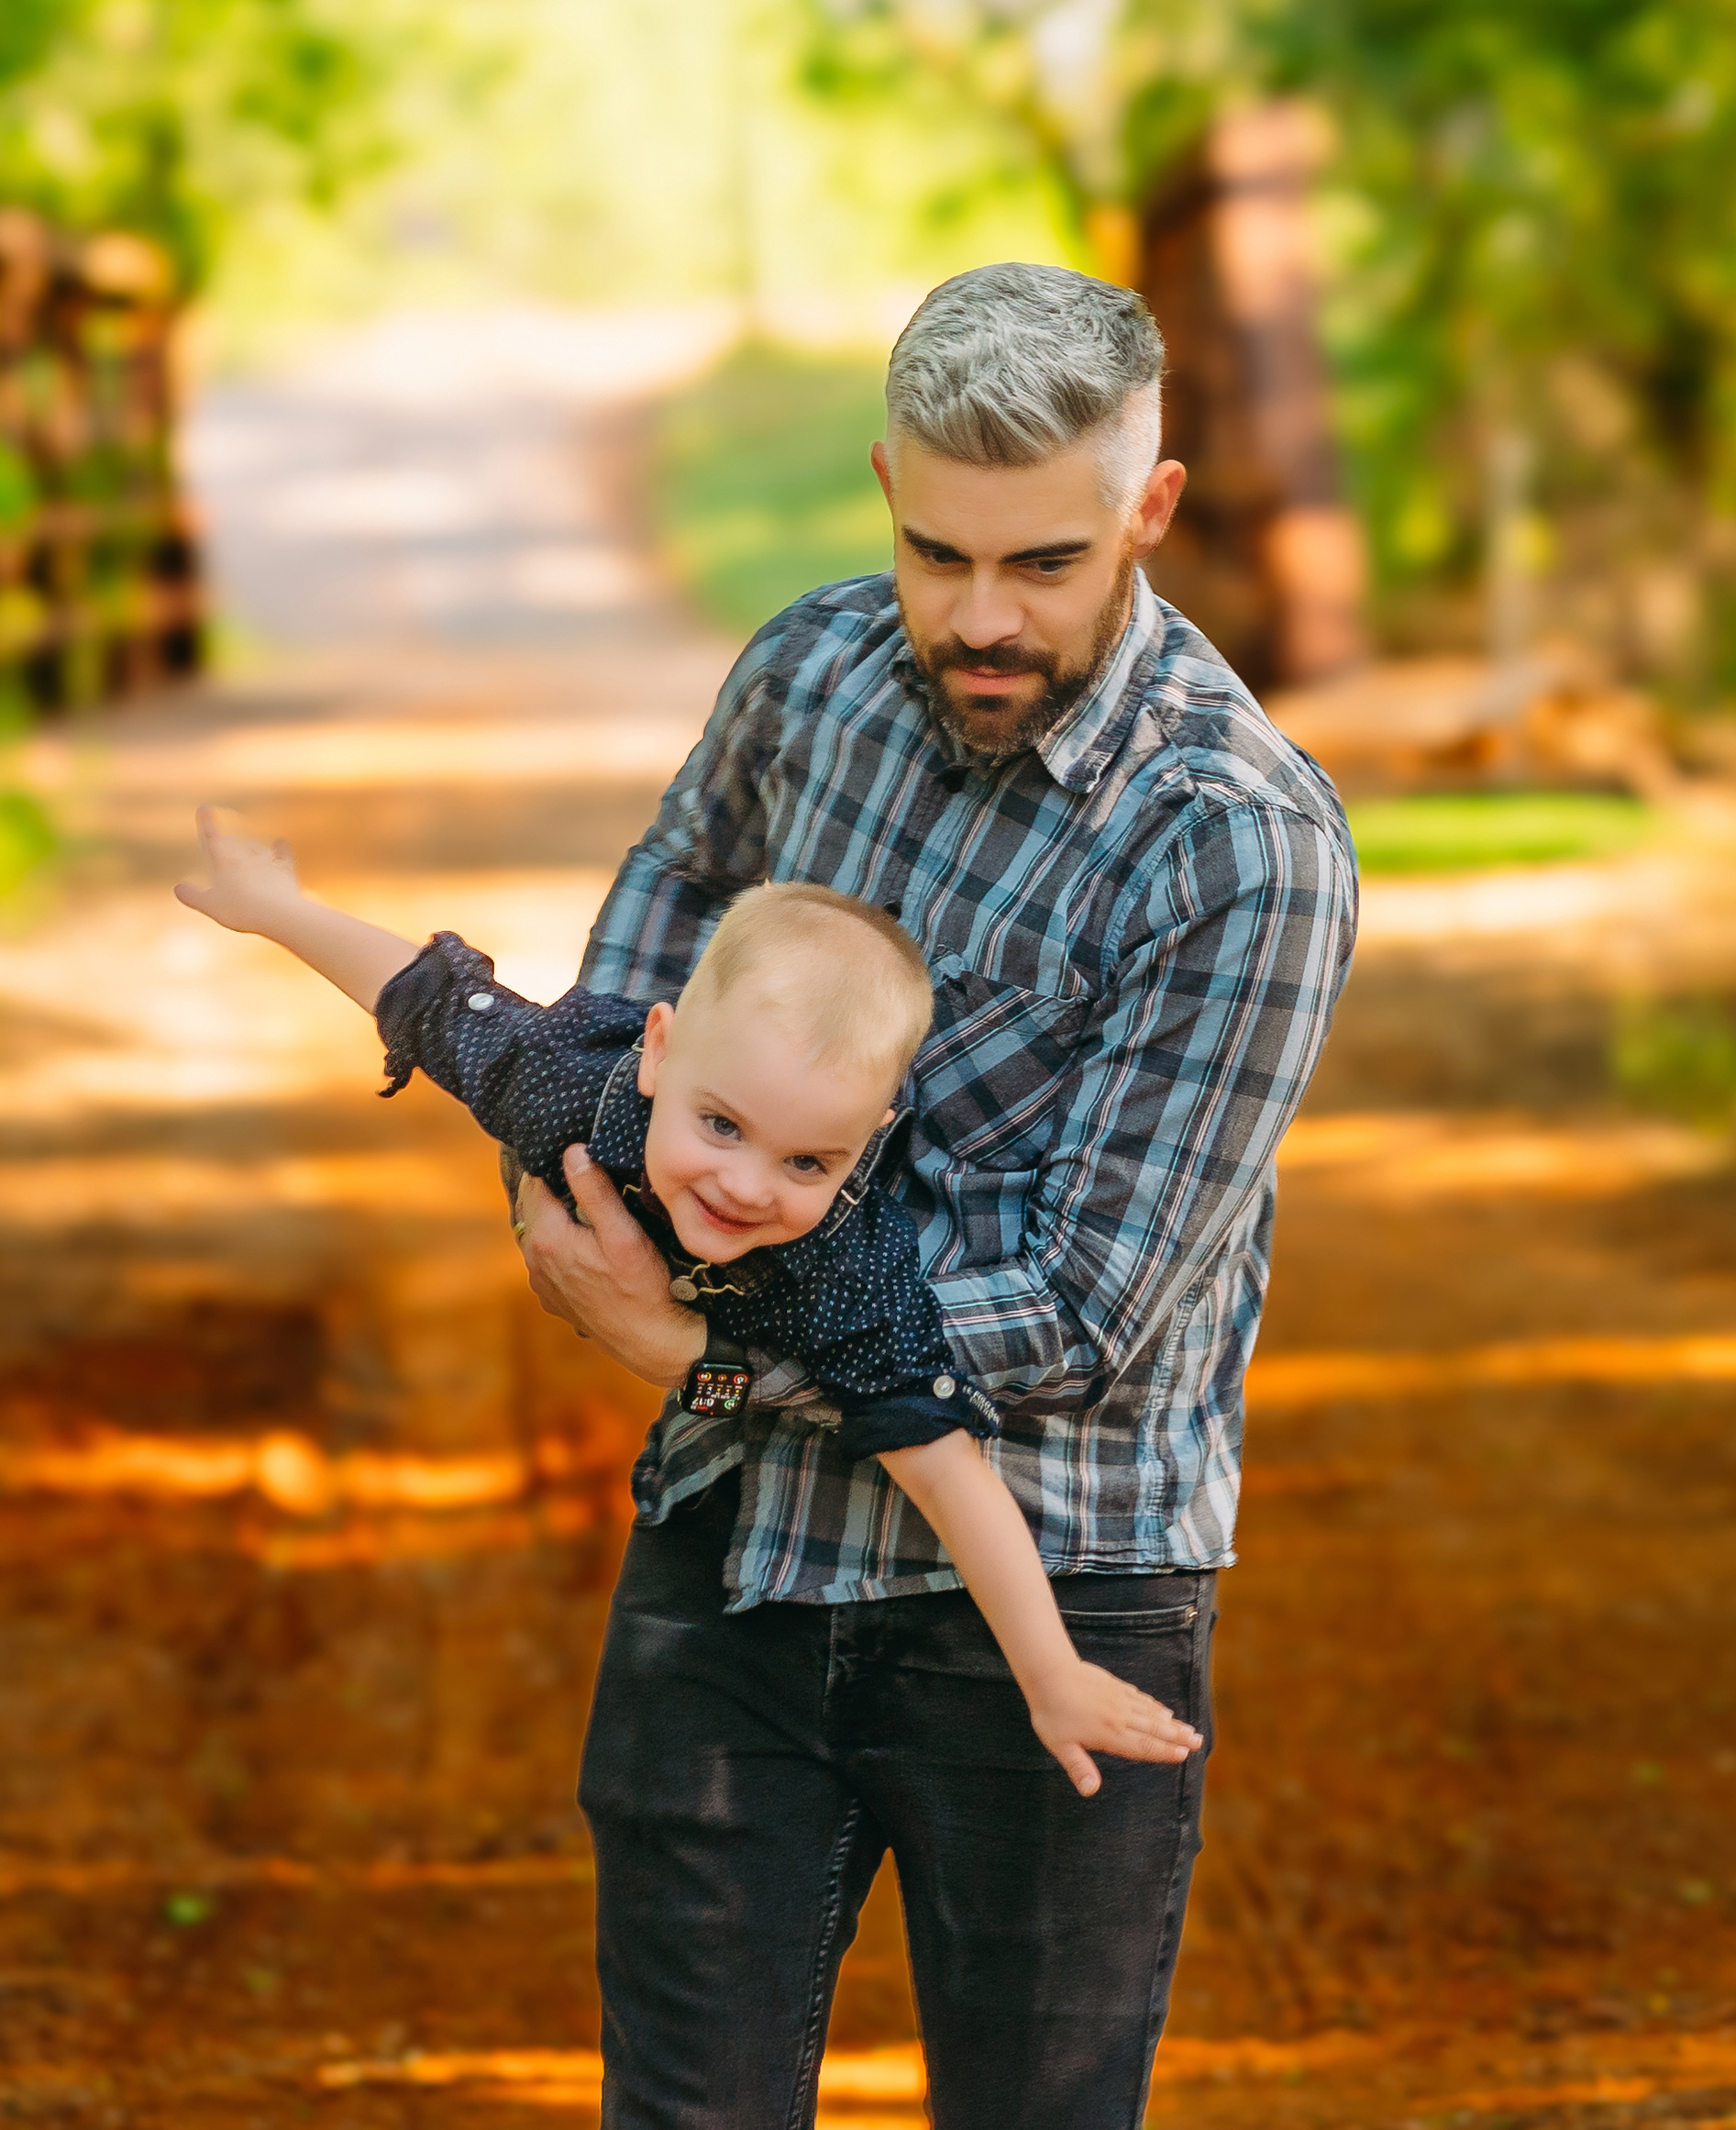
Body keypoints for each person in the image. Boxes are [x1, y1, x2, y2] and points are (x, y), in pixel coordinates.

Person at [517, 261, 1358, 2130]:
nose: (977, 619)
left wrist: (694, 1334)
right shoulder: (810, 669)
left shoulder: (1240, 842)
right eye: (934, 550)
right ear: (884, 479)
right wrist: (564, 1164)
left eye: (1043, 564)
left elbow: (1076, 1312)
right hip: (733, 1552)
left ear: (1149, 508)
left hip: (1056, 1589)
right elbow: (630, 994)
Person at [172, 839, 1201, 1793]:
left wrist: (1050, 1668)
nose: (746, 1186)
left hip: (751, 1339)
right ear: (659, 1051)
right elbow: (424, 995)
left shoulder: (841, 1264)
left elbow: (941, 1464)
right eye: (721, 1125)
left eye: (808, 1159)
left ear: (872, 1140)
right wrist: (274, 906)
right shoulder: (567, 1089)